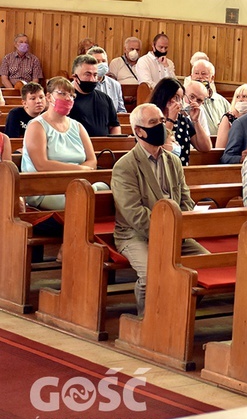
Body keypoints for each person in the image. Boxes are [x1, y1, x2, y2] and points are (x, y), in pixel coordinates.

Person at [111, 103, 208, 317]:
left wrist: (177, 230)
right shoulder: (125, 166)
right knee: (151, 274)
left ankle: (178, 315)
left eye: (162, 122)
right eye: (154, 123)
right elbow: (133, 212)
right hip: (135, 235)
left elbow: (186, 200)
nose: (161, 127)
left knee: (208, 266)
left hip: (175, 232)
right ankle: (148, 322)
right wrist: (165, 231)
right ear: (138, 131)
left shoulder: (173, 161)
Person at [21, 77, 107, 210]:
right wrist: (79, 170)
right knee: (81, 200)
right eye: (62, 93)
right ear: (49, 97)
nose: (68, 98)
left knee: (104, 190)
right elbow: (41, 165)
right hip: (45, 189)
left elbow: (92, 161)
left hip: (76, 183)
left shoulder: (77, 126)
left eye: (72, 95)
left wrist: (78, 177)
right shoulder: (37, 126)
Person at [149, 78, 211, 166]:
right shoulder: (150, 119)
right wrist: (170, 120)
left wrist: (195, 121)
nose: (179, 103)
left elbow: (205, 147)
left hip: (181, 172)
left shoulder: (183, 121)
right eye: (176, 97)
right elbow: (157, 147)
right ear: (164, 96)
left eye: (180, 98)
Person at [68, 54, 121, 136]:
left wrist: (113, 144)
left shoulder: (105, 99)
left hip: (104, 148)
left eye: (95, 75)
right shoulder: (67, 100)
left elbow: (114, 126)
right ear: (75, 77)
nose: (92, 79)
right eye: (87, 74)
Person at [187, 59, 230, 134]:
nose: (199, 77)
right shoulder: (186, 98)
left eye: (203, 74)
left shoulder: (221, 101)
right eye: (196, 73)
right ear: (191, 77)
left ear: (212, 78)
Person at [215, 84, 247, 149]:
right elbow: (220, 148)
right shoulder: (228, 118)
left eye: (245, 96)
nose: (241, 100)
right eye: (237, 97)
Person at [87, 47, 127, 113]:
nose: (101, 64)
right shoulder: (81, 84)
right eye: (97, 61)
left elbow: (121, 111)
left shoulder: (115, 85)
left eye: (103, 61)